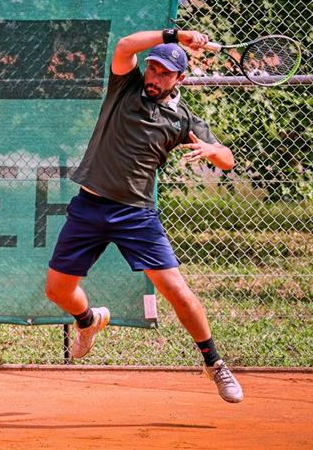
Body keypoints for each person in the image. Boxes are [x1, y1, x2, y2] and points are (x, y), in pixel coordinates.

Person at [44, 28, 244, 403]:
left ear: (179, 79)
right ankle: (89, 321)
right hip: (90, 206)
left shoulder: (185, 120)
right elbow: (123, 46)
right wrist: (175, 35)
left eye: (164, 73)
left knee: (177, 292)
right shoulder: (126, 87)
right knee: (57, 290)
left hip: (136, 215)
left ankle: (215, 363)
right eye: (152, 68)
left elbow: (227, 159)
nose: (154, 77)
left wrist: (214, 153)